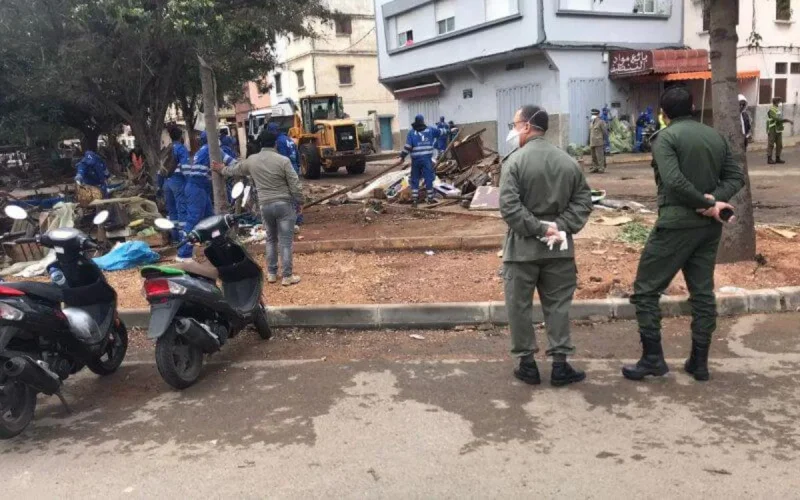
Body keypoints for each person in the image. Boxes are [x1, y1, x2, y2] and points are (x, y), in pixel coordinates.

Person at [622, 87, 744, 383]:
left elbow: (674, 182)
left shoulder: (664, 138)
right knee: (702, 293)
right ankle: (699, 363)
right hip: (708, 229)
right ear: (692, 106)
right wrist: (715, 202)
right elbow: (735, 177)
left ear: (664, 114)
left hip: (676, 225)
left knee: (646, 291)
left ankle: (653, 359)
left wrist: (706, 203)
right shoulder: (714, 136)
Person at [499, 105, 593, 387]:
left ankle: (527, 365)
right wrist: (559, 226)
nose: (513, 130)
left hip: (521, 251)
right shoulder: (568, 162)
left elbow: (509, 207)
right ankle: (560, 366)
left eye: (514, 124)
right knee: (558, 307)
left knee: (519, 307)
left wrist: (538, 228)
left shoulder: (513, 163)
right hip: (560, 250)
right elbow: (583, 202)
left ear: (526, 126)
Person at [212, 130, 303, 286]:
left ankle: (272, 273)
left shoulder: (252, 161)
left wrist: (220, 169)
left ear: (261, 144)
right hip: (284, 205)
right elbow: (295, 184)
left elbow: (235, 169)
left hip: (265, 205)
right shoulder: (283, 161)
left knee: (270, 239)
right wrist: (299, 201)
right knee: (285, 242)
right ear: (275, 143)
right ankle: (287, 276)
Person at [177, 131, 236, 262]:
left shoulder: (200, 151)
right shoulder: (213, 149)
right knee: (193, 220)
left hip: (197, 188)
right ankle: (183, 254)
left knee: (210, 219)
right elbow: (232, 163)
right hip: (197, 188)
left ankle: (216, 247)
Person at [394, 114, 442, 207]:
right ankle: (430, 199)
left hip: (416, 160)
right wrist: (449, 130)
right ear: (423, 121)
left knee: (415, 179)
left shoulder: (411, 132)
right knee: (428, 178)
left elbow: (407, 147)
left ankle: (415, 201)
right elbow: (440, 132)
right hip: (426, 160)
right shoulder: (430, 130)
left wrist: (402, 156)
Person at [270, 122, 304, 226]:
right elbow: (298, 156)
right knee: (295, 193)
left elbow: (283, 159)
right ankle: (299, 218)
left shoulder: (279, 142)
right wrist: (297, 167)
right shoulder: (290, 140)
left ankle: (293, 219)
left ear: (274, 131)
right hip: (295, 169)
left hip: (287, 171)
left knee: (287, 196)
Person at [160, 128, 190, 242]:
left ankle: (175, 238)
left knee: (171, 210)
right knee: (181, 209)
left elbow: (160, 170)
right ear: (180, 137)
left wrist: (160, 185)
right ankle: (184, 238)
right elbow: (186, 168)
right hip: (178, 181)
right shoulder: (181, 149)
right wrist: (189, 182)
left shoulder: (167, 149)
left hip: (166, 182)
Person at [767, 97, 793, 164]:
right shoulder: (771, 110)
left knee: (779, 145)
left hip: (778, 129)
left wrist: (785, 121)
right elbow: (776, 119)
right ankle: (769, 159)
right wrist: (787, 120)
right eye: (779, 102)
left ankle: (777, 158)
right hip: (772, 129)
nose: (780, 103)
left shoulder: (777, 110)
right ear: (776, 102)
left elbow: (779, 119)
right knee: (771, 144)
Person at [589, 109, 608, 174]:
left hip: (599, 141)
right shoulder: (591, 122)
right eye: (592, 114)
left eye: (594, 114)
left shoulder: (601, 122)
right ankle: (595, 167)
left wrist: (605, 140)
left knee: (600, 156)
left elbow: (605, 132)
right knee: (593, 156)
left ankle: (601, 168)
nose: (593, 115)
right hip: (592, 141)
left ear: (598, 115)